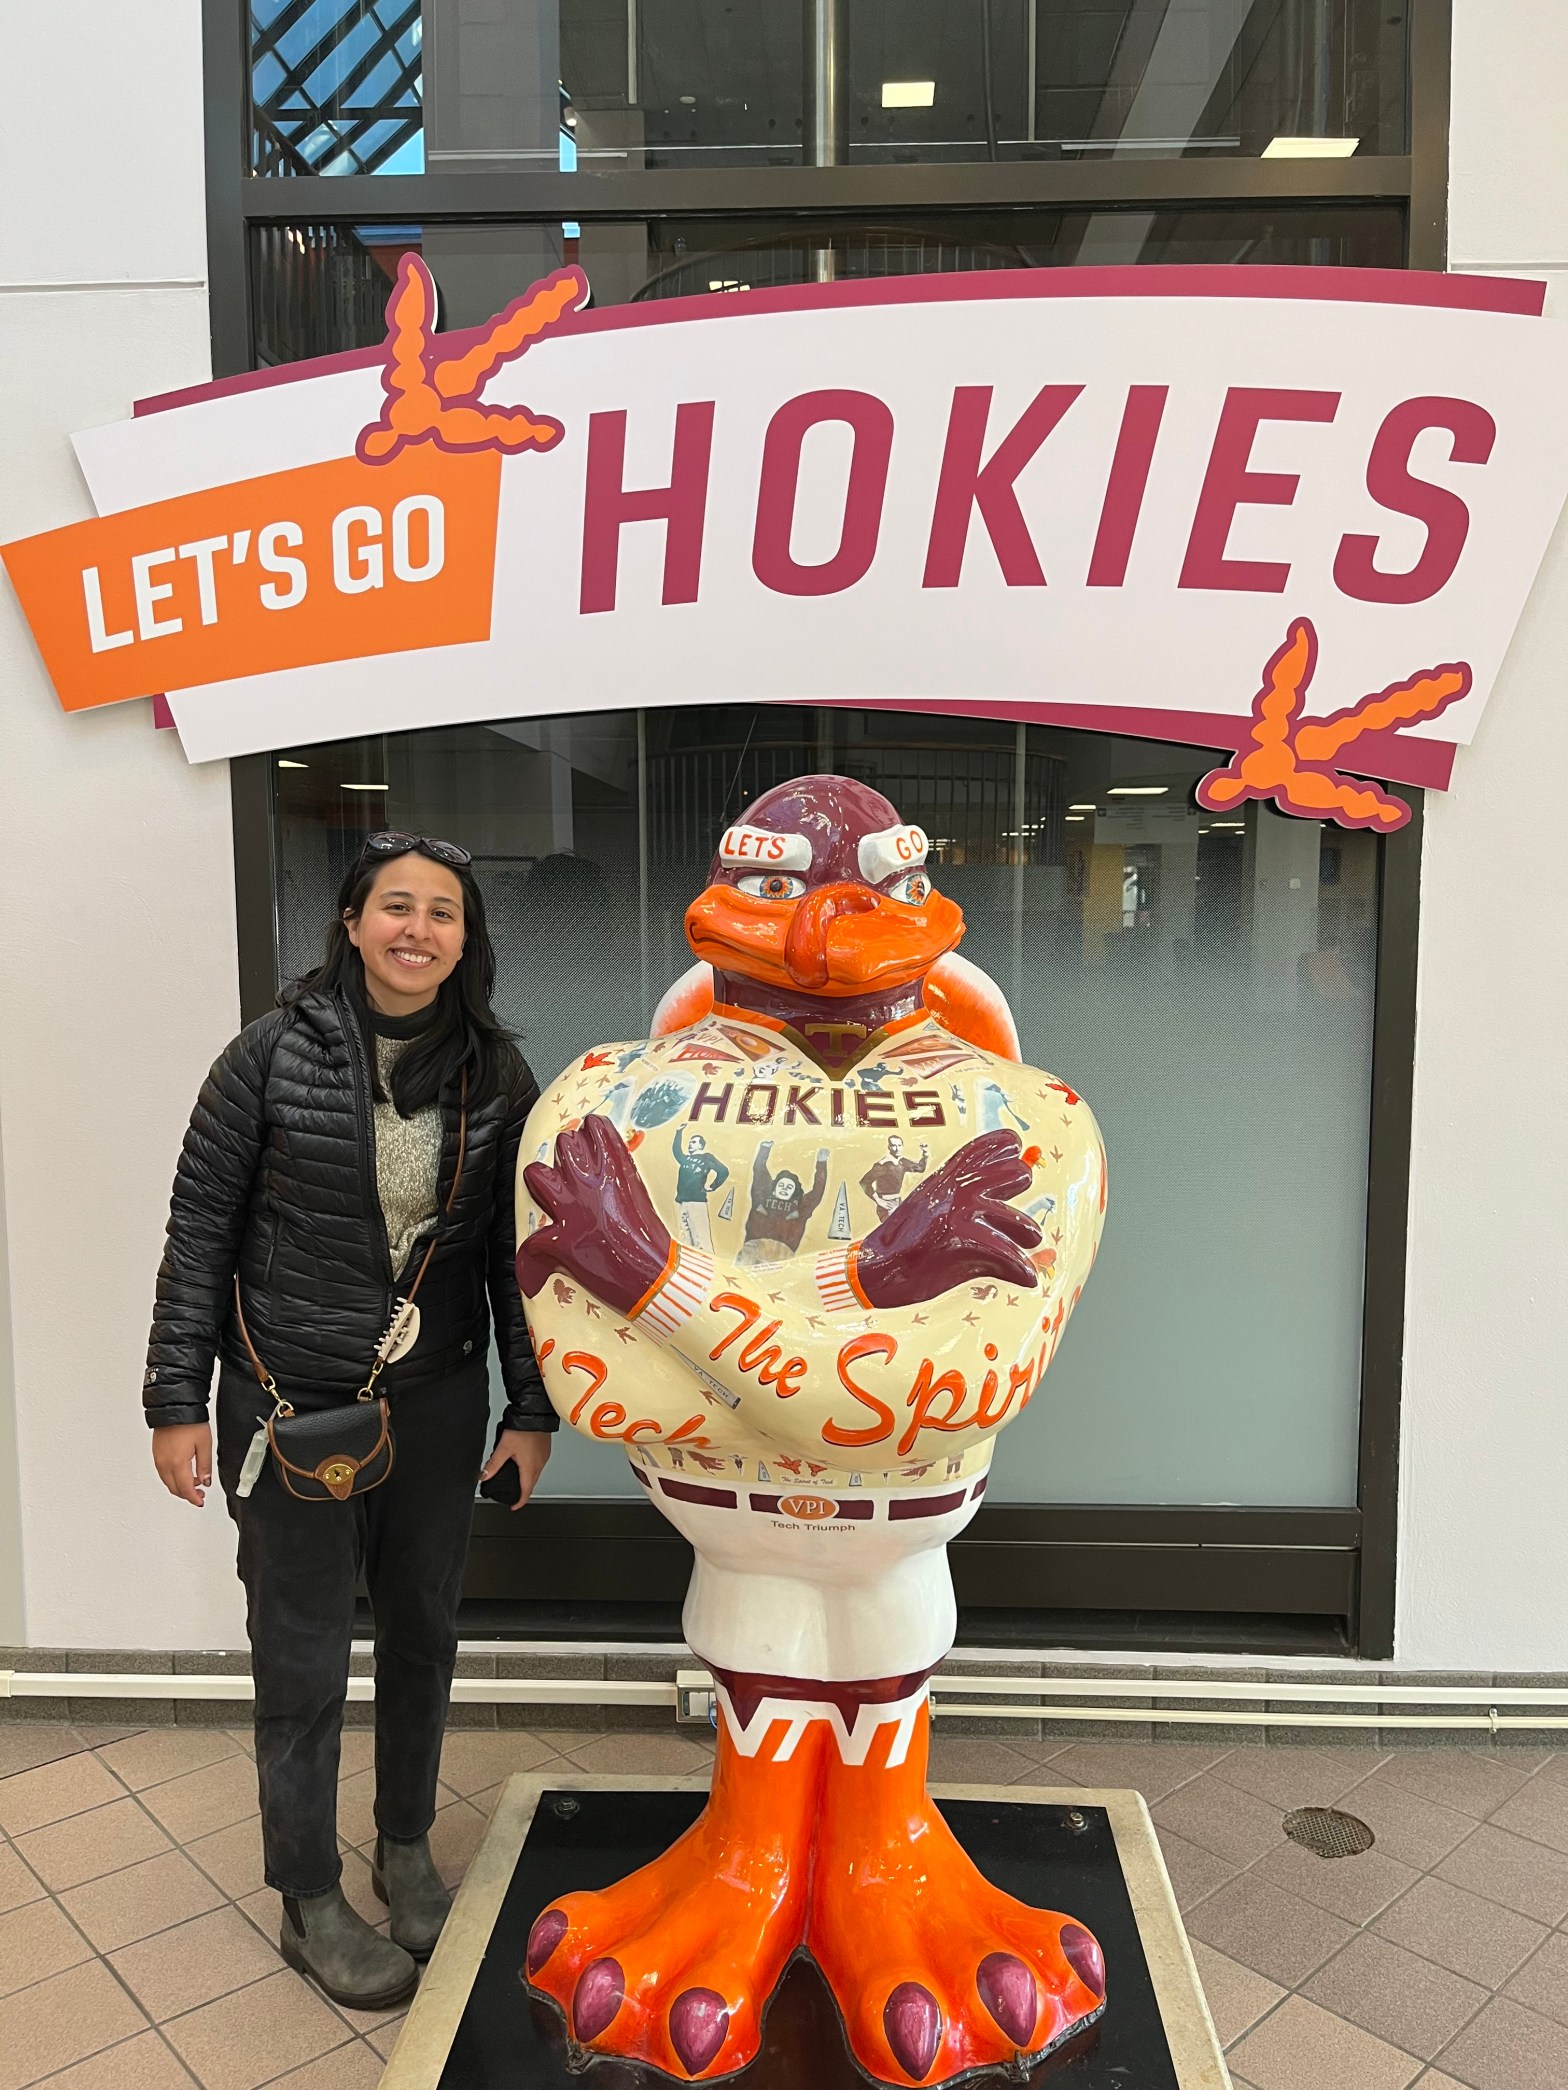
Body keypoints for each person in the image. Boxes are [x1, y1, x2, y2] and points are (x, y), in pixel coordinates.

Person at [144, 831, 554, 2011]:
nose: (417, 929)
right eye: (396, 906)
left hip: (437, 1399)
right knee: (303, 1650)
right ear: (352, 920)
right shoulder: (265, 1057)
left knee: (422, 1630)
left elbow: (514, 1257)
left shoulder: (495, 1074)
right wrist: (174, 1398)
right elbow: (198, 1236)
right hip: (288, 1401)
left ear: (466, 939)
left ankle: (405, 1847)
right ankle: (308, 1893)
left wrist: (529, 1407)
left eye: (442, 912)